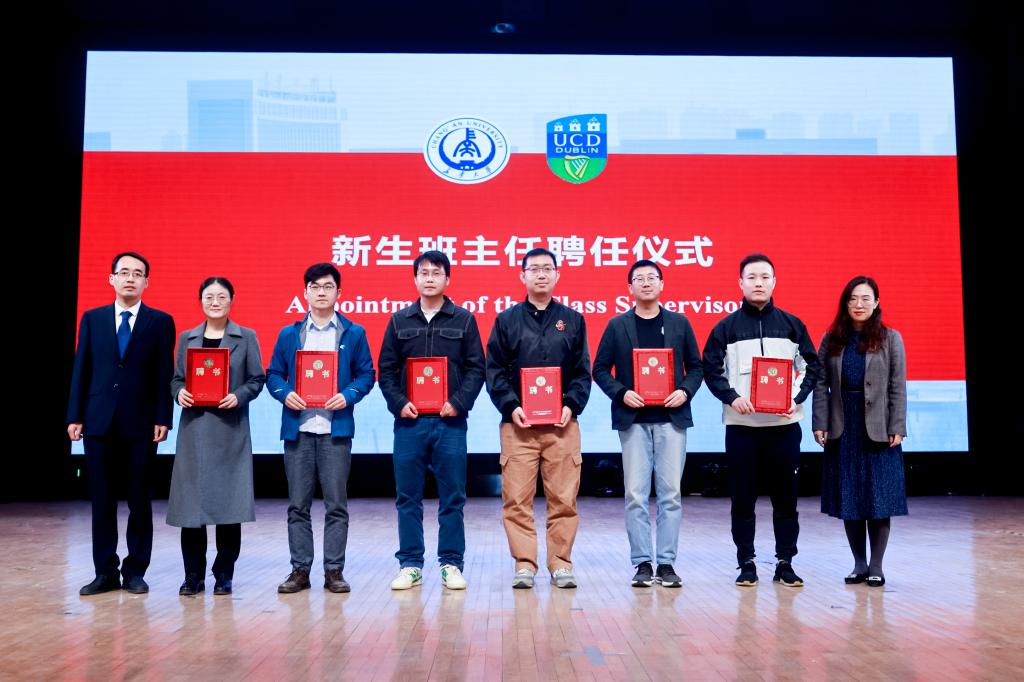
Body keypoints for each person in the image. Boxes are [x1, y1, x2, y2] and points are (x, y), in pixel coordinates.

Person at [702, 253, 821, 587]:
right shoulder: (725, 328)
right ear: (740, 283)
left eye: (765, 277)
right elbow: (711, 369)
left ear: (774, 282)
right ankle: (746, 562)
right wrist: (732, 397)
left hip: (784, 427)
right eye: (751, 277)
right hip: (742, 428)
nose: (758, 283)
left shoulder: (792, 325)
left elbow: (811, 366)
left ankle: (785, 562)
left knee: (786, 499)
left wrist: (795, 398)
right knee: (743, 499)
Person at [67, 251, 176, 595]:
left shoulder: (160, 322)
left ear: (147, 282)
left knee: (139, 500)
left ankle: (135, 571)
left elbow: (164, 373)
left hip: (141, 423)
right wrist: (74, 415)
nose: (130, 278)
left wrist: (163, 417)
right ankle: (104, 572)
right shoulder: (93, 318)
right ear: (111, 278)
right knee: (102, 500)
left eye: (137, 273)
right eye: (124, 272)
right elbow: (82, 368)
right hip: (98, 421)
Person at [377, 251, 486, 591]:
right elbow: (386, 370)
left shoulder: (464, 320)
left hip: (449, 423)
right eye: (423, 272)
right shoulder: (399, 321)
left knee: (452, 497)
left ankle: (451, 564)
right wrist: (399, 403)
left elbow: (476, 369)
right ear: (415, 279)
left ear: (447, 279)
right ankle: (410, 564)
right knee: (407, 497)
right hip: (409, 423)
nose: (429, 278)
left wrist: (458, 402)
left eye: (436, 273)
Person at [485, 247, 592, 589]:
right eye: (534, 269)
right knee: (517, 500)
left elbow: (582, 372)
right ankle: (525, 564)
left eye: (547, 268)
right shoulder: (506, 320)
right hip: (519, 426)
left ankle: (560, 563)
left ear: (557, 275)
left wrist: (571, 404)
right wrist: (511, 405)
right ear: (523, 276)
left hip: (562, 425)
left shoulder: (573, 320)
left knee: (564, 499)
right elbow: (494, 371)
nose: (541, 274)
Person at [593, 260, 703, 588]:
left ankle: (666, 563)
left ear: (661, 284)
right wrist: (621, 392)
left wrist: (685, 391)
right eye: (638, 279)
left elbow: (696, 367)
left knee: (671, 494)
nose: (645, 283)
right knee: (635, 494)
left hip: (671, 420)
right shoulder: (617, 325)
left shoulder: (680, 323)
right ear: (629, 288)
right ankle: (642, 562)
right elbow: (600, 369)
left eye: (651, 277)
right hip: (634, 421)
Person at [266, 262, 375, 594]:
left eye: (328, 286)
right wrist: (285, 394)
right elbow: (273, 374)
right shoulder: (290, 334)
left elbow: (366, 374)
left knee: (336, 505)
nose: (321, 292)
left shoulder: (353, 333)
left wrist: (348, 395)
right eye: (315, 287)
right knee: (297, 505)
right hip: (298, 430)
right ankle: (300, 570)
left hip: (335, 430)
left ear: (339, 292)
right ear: (305, 293)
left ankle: (334, 571)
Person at [167, 277, 266, 596]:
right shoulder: (187, 338)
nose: (215, 302)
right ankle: (192, 576)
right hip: (194, 433)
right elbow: (176, 379)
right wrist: (179, 392)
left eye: (222, 296)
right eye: (209, 296)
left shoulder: (246, 337)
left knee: (228, 508)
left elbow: (257, 379)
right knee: (190, 511)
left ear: (231, 300)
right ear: (200, 301)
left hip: (229, 431)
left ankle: (224, 574)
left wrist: (238, 395)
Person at [813, 276, 907, 587]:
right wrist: (820, 422)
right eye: (853, 298)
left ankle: (877, 565)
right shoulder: (832, 339)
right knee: (850, 497)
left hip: (879, 428)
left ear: (876, 302)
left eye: (866, 298)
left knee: (879, 497)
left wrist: (897, 425)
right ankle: (859, 564)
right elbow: (820, 384)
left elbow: (897, 386)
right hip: (843, 426)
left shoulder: (891, 338)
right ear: (845, 303)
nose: (859, 304)